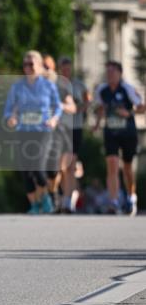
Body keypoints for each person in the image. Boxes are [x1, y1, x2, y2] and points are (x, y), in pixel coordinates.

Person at [4, 51, 62, 215]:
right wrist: (11, 119)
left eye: (31, 64)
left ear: (39, 65)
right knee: (26, 171)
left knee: (37, 166)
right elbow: (8, 110)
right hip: (23, 130)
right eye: (25, 64)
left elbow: (58, 107)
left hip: (43, 130)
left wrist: (54, 119)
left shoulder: (48, 85)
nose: (27, 67)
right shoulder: (17, 86)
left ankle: (47, 197)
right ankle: (36, 204)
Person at [93, 60, 144, 215]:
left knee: (127, 168)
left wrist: (129, 113)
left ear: (119, 73)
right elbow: (100, 108)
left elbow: (142, 106)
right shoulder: (102, 90)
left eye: (112, 71)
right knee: (112, 164)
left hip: (128, 132)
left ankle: (131, 196)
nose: (109, 74)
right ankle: (113, 202)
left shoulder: (127, 88)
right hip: (110, 132)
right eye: (107, 71)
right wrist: (97, 124)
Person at [41, 54, 76, 212]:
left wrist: (59, 104)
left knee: (58, 168)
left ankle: (56, 195)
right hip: (39, 132)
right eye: (42, 67)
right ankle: (48, 198)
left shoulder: (60, 86)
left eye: (47, 67)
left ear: (53, 68)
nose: (45, 70)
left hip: (60, 132)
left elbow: (72, 107)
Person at [59, 56, 90, 213]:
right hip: (61, 128)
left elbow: (87, 100)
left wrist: (80, 108)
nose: (66, 70)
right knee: (61, 166)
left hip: (76, 127)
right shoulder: (57, 85)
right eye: (63, 67)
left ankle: (68, 200)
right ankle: (64, 196)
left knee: (71, 165)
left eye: (68, 67)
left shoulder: (79, 85)